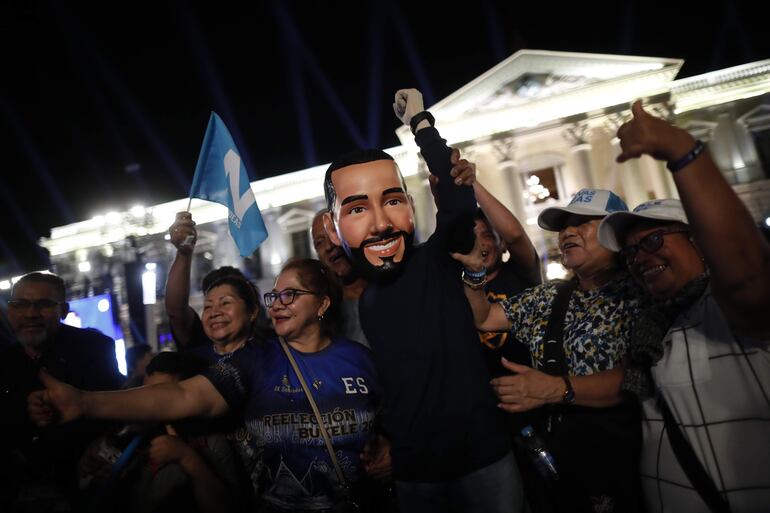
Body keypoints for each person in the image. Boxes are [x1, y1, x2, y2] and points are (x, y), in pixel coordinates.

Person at [28, 259, 386, 513]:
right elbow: (183, 395)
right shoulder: (256, 360)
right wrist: (86, 402)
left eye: (290, 295)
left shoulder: (361, 358)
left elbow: (391, 422)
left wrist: (391, 451)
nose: (277, 304)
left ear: (322, 304)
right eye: (274, 295)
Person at [322, 88, 524, 513]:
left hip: (484, 457)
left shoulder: (437, 261)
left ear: (412, 207)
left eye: (392, 201)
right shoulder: (357, 303)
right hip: (415, 473)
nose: (380, 224)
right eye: (357, 210)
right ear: (331, 225)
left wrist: (421, 125)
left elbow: (455, 198)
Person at [597, 100, 770, 512]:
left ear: (699, 242)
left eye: (654, 241)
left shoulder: (726, 308)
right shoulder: (652, 329)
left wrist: (682, 151)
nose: (640, 258)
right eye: (631, 253)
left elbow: (747, 276)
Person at [452, 188, 644, 513]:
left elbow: (637, 378)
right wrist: (473, 275)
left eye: (582, 223)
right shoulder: (549, 297)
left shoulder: (642, 293)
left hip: (632, 460)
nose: (568, 232)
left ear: (618, 233)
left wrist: (554, 389)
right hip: (563, 464)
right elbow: (484, 317)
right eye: (564, 226)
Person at [0, 272, 123, 511]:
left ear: (64, 310)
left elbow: (114, 414)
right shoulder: (4, 361)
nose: (30, 314)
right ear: (10, 310)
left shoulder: (94, 349)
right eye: (20, 304)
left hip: (86, 487)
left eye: (44, 304)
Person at [79, 351, 243, 513]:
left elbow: (225, 506)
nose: (154, 403)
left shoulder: (212, 443)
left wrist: (187, 458)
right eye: (148, 394)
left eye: (164, 395)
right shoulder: (133, 435)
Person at [311, 209, 369, 347]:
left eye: (334, 233)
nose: (329, 246)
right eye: (319, 242)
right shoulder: (325, 312)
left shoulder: (394, 285)